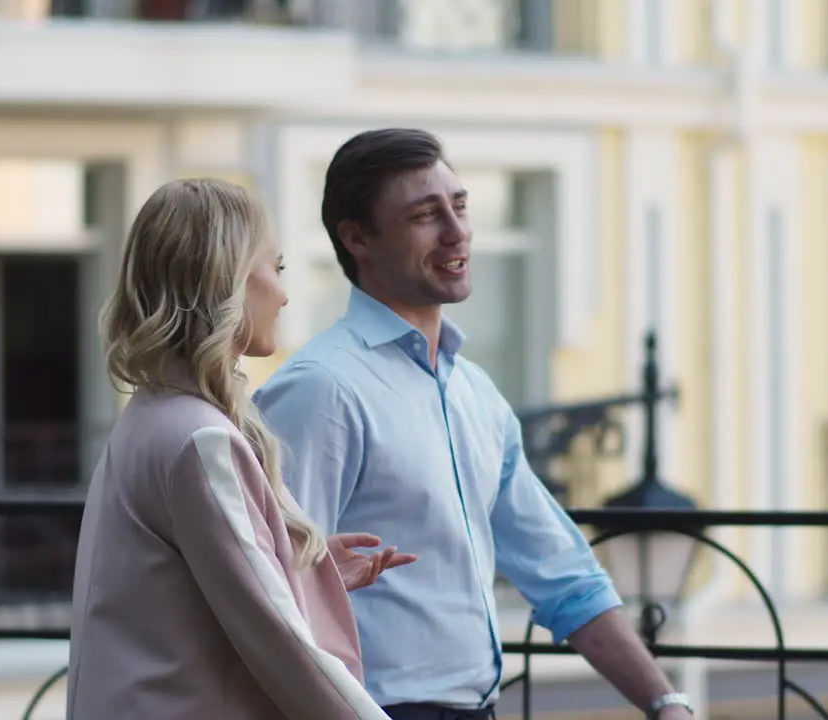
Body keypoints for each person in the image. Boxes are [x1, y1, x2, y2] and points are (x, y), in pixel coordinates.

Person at [253, 129, 696, 720]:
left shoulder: (474, 393)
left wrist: (666, 701)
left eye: (459, 206)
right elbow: (270, 592)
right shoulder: (320, 389)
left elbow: (564, 575)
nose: (457, 231)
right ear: (357, 238)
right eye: (425, 215)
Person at [66, 178, 413, 720]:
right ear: (225, 281)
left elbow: (177, 601)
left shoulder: (151, 415)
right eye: (275, 269)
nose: (284, 293)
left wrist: (300, 568)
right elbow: (283, 647)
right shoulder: (200, 439)